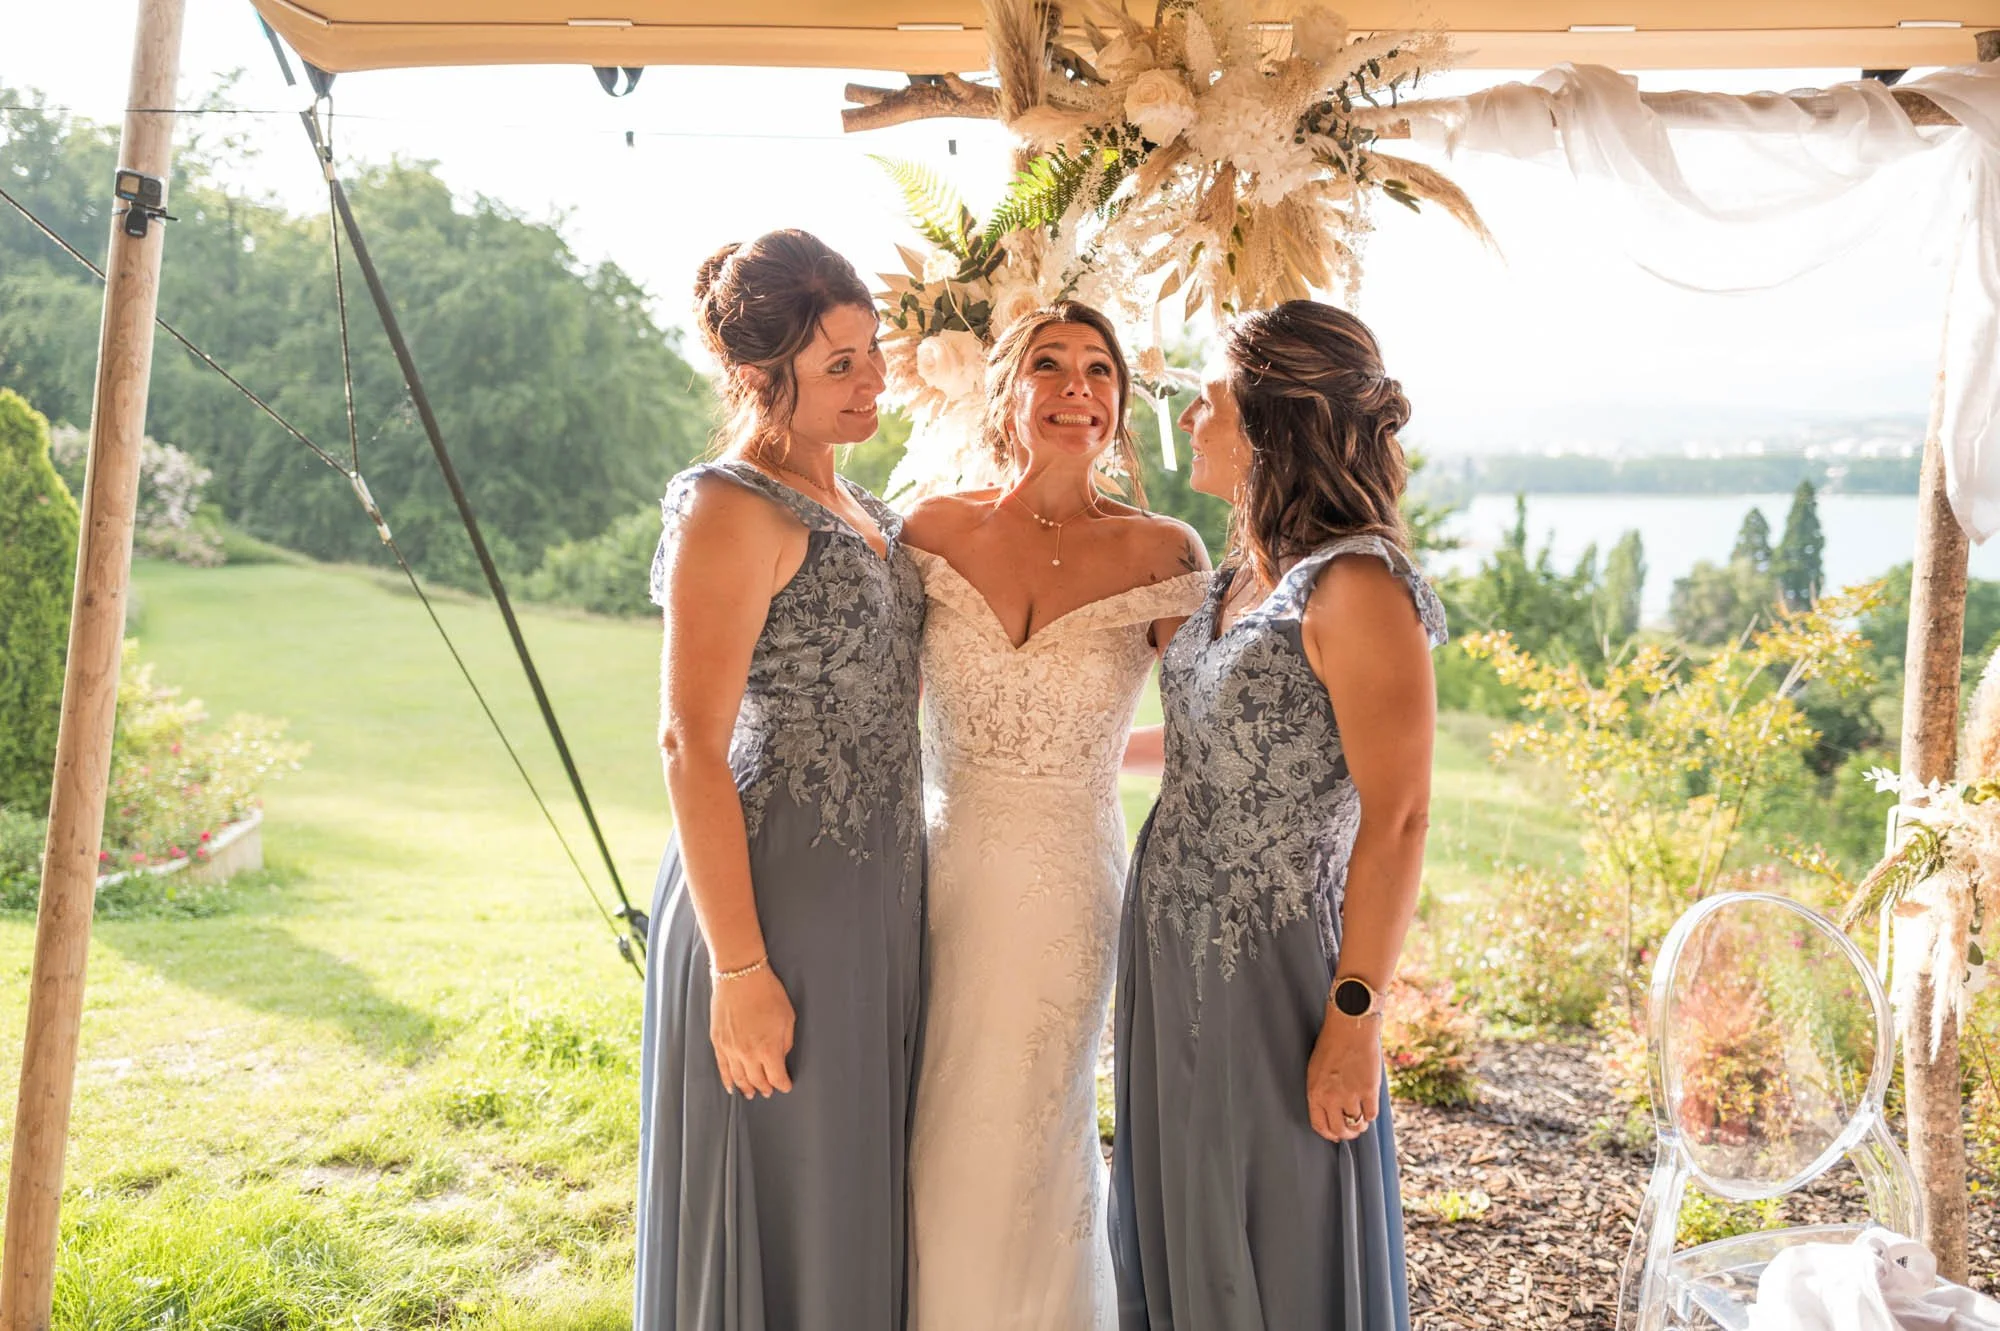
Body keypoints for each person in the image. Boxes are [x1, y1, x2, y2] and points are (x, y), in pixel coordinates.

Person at [1110, 300, 1446, 1331]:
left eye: (1207, 402)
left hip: (1275, 965)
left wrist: (1353, 1016)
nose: (1189, 421)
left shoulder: (1355, 587)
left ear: (1268, 426)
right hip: (1169, 949)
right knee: (1180, 1214)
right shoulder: (1236, 573)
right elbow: (1225, 744)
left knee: (1274, 1223)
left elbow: (1398, 816)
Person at [635, 229, 926, 1331]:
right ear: (764, 377)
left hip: (875, 895)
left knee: (851, 1183)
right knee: (779, 1186)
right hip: (769, 895)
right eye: (838, 364)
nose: (872, 380)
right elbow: (687, 742)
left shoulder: (865, 505)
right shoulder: (729, 506)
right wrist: (740, 965)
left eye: (871, 349)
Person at [900, 302, 1210, 1331]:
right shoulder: (934, 529)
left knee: (1030, 1130)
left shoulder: (1164, 552)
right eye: (1049, 365)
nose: (1075, 387)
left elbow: (1212, 731)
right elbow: (874, 713)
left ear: (1119, 405)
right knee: (925, 1122)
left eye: (1096, 371)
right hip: (936, 871)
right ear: (1007, 390)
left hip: (1070, 882)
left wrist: (1077, 757)